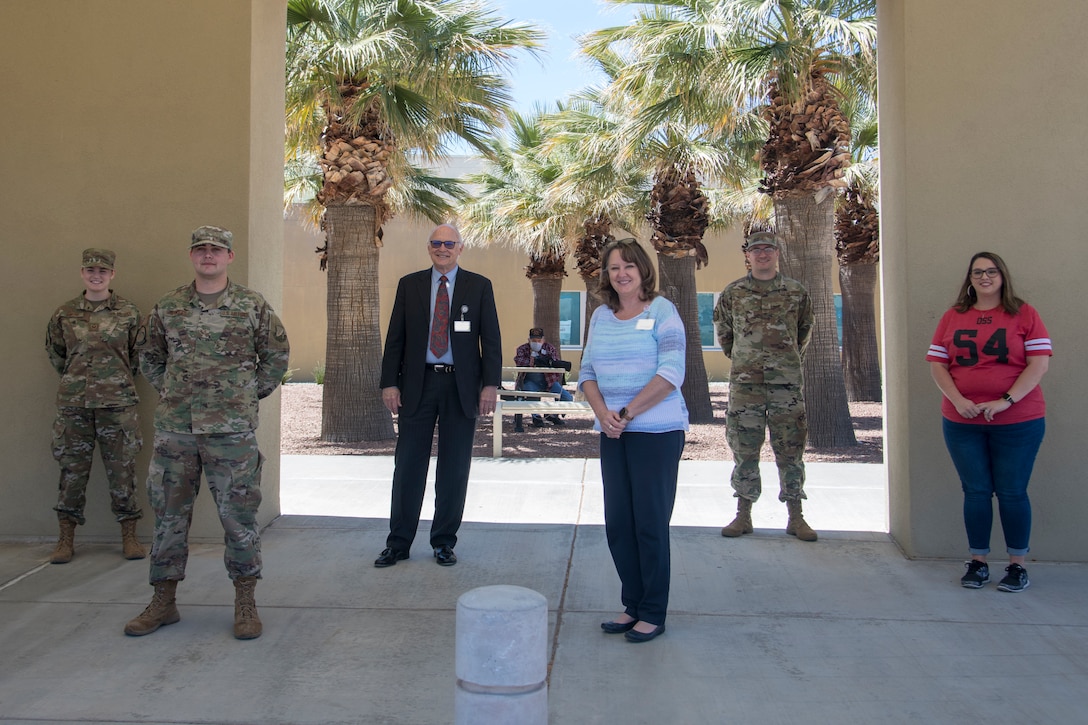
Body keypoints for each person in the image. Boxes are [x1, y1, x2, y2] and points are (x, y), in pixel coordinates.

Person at [124, 225, 289, 639]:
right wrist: (173, 392)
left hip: (231, 434)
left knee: (238, 519)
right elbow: (150, 355)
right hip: (176, 432)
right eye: (201, 249)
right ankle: (164, 601)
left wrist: (246, 396)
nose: (209, 255)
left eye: (217, 250)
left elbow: (276, 355)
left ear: (230, 257)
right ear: (192, 256)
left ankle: (245, 601)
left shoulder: (252, 305)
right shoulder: (169, 305)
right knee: (168, 519)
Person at [579, 238, 687, 643]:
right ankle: (633, 604)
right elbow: (586, 371)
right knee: (619, 524)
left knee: (650, 524)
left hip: (655, 432)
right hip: (612, 432)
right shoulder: (601, 316)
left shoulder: (662, 311)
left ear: (643, 269)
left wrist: (626, 413)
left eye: (628, 266)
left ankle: (653, 611)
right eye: (613, 268)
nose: (621, 273)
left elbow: (672, 371)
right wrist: (602, 413)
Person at [376, 223, 501, 568]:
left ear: (460, 248)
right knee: (408, 466)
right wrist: (390, 383)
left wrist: (490, 385)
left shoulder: (479, 287)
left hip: (461, 388)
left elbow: (490, 340)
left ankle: (444, 541)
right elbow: (395, 339)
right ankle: (398, 542)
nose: (442, 248)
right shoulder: (410, 285)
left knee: (454, 467)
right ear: (429, 248)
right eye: (436, 243)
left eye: (449, 243)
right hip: (418, 386)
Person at [926, 251, 1051, 592]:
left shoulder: (1024, 313)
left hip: (1017, 421)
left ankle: (1016, 566)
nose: (985, 277)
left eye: (991, 271)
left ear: (1002, 276)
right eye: (978, 272)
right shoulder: (954, 316)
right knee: (976, 491)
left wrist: (1006, 400)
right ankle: (978, 562)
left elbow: (1038, 364)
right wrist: (959, 400)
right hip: (962, 420)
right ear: (969, 278)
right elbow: (938, 364)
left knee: (1011, 492)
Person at [714, 231, 817, 542]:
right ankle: (743, 514)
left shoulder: (796, 292)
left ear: (777, 253)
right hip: (746, 385)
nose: (762, 254)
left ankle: (796, 516)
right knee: (744, 448)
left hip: (786, 384)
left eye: (768, 249)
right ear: (748, 255)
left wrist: (782, 360)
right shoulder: (733, 293)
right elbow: (725, 334)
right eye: (756, 249)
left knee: (791, 448)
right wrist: (747, 359)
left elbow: (804, 332)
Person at [45, 248, 145, 564]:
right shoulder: (64, 313)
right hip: (74, 405)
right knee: (71, 471)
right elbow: (57, 353)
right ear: (82, 273)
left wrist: (113, 380)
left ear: (112, 274)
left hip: (118, 405)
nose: (96, 275)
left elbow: (138, 356)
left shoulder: (129, 313)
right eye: (90, 270)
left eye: (102, 271)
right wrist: (79, 380)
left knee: (123, 471)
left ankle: (129, 536)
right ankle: (65, 539)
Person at [514, 327, 573, 430]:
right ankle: (536, 418)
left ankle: (552, 415)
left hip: (549, 381)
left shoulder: (550, 348)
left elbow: (556, 363)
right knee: (531, 393)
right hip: (530, 380)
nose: (536, 342)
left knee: (567, 398)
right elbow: (518, 361)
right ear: (529, 340)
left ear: (543, 340)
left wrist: (546, 362)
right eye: (533, 340)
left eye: (538, 340)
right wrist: (531, 362)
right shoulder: (522, 349)